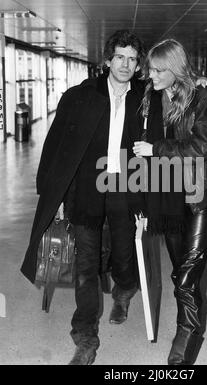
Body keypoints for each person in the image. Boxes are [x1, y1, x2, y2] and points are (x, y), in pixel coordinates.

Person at [20, 29, 156, 365]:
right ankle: (84, 337)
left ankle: (124, 291)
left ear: (138, 64)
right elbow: (56, 145)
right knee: (86, 264)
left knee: (125, 253)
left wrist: (205, 87)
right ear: (108, 60)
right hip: (86, 188)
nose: (125, 64)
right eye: (119, 57)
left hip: (127, 186)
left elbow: (181, 91)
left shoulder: (148, 97)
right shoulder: (80, 96)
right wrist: (52, 191)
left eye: (132, 58)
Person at [133, 39, 207, 365]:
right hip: (167, 198)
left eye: (158, 70)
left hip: (198, 196)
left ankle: (185, 341)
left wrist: (156, 149)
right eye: (150, 70)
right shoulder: (150, 96)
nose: (151, 76)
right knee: (179, 274)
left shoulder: (202, 98)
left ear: (174, 69)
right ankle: (190, 319)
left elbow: (202, 147)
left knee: (187, 275)